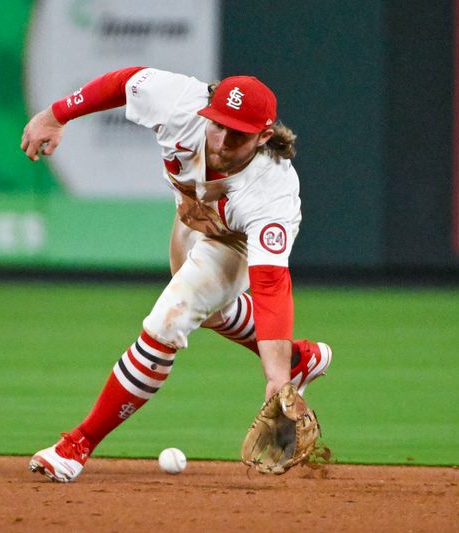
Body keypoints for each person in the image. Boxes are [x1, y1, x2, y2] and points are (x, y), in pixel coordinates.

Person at [21, 67, 332, 482]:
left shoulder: (270, 193)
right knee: (208, 310)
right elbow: (123, 82)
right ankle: (298, 358)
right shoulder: (180, 102)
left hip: (234, 241)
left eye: (237, 134)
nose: (221, 140)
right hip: (193, 219)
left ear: (264, 135)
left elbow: (271, 286)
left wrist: (274, 380)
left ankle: (76, 445)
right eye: (218, 125)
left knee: (168, 320)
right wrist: (56, 115)